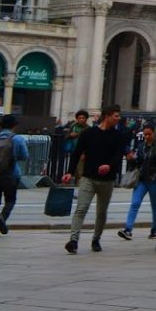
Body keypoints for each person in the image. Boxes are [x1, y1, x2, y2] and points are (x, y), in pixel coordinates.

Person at [65, 104, 127, 254]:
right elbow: (76, 153)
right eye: (116, 116)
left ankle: (96, 239)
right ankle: (73, 240)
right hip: (88, 177)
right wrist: (70, 172)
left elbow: (118, 156)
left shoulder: (118, 136)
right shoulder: (89, 133)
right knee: (81, 208)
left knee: (101, 212)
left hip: (107, 179)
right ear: (107, 116)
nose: (118, 119)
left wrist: (109, 166)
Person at [118, 125, 156, 241]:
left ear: (154, 134)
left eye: (149, 134)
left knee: (155, 206)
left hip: (154, 180)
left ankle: (155, 229)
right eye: (145, 134)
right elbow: (138, 162)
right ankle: (128, 229)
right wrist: (132, 158)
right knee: (135, 203)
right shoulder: (141, 146)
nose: (147, 137)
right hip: (141, 180)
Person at [0, 113, 27, 235]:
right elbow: (24, 156)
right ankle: (2, 218)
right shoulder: (18, 139)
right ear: (15, 125)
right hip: (11, 174)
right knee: (10, 200)